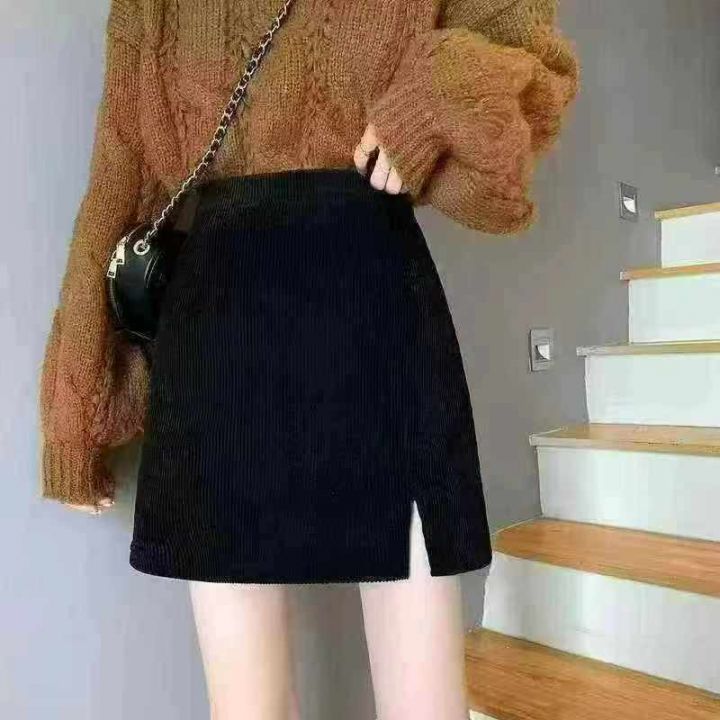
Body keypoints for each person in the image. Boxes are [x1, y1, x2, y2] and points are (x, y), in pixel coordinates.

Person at [37, 1, 579, 718]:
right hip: (219, 343)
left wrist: (428, 102)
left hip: (375, 324)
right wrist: (75, 415)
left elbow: (532, 57)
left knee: (425, 703)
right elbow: (119, 176)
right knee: (248, 708)